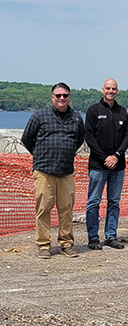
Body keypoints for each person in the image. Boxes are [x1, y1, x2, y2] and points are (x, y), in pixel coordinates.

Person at [21, 83, 85, 259]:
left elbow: (79, 139)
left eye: (65, 95)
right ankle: (43, 245)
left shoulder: (76, 118)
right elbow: (27, 138)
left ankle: (66, 243)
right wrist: (41, 154)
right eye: (58, 95)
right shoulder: (40, 116)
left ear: (69, 97)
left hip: (66, 171)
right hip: (44, 171)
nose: (62, 98)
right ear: (52, 97)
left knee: (66, 209)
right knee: (43, 208)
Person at [85, 78, 128, 251]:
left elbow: (126, 136)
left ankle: (111, 236)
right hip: (98, 165)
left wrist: (116, 156)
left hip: (118, 167)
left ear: (117, 91)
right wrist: (105, 157)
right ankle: (93, 238)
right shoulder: (93, 110)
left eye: (114, 89)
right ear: (102, 90)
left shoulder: (122, 112)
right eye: (108, 88)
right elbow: (89, 137)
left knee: (114, 202)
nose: (111, 91)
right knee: (94, 202)